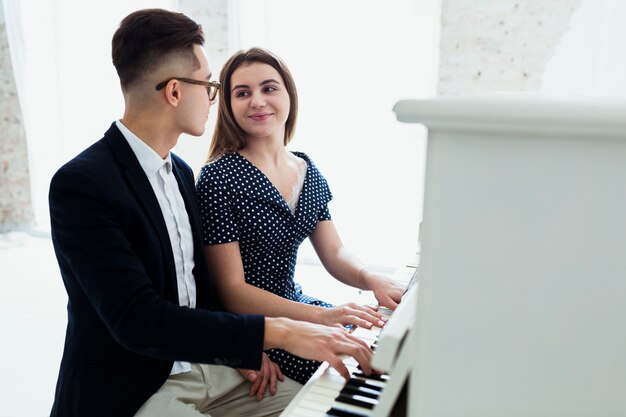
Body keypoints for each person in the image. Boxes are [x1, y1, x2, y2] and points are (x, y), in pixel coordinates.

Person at [48, 10, 372, 417]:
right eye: (210, 86)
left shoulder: (181, 173)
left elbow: (200, 287)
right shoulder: (81, 184)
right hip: (138, 385)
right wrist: (279, 333)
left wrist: (236, 348)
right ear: (174, 92)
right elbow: (138, 321)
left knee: (336, 406)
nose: (212, 98)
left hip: (213, 369)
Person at [195, 47, 405, 384]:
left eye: (269, 88)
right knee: (360, 376)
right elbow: (232, 291)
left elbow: (334, 252)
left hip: (300, 306)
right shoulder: (219, 177)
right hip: (260, 324)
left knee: (385, 348)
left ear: (289, 95)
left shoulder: (307, 168)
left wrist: (370, 279)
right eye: (242, 93)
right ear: (228, 105)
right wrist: (324, 316)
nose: (258, 101)